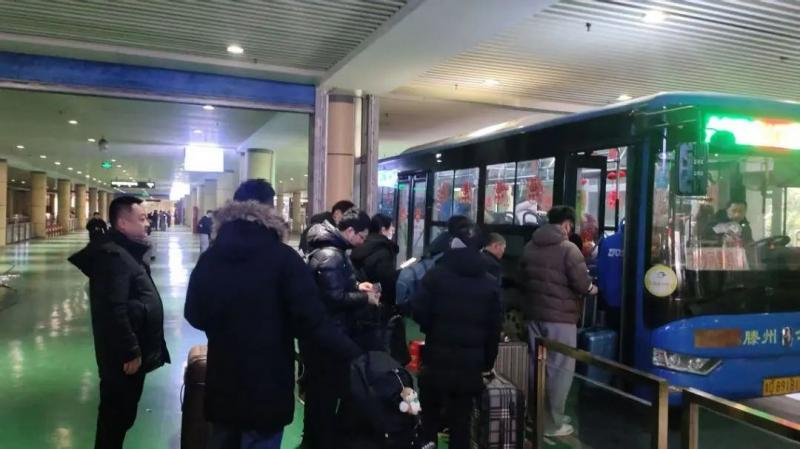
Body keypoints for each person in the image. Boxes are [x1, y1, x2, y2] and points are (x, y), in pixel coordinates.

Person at [184, 180, 361, 449]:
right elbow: (311, 321)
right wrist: (355, 354)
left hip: (224, 381)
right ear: (270, 210)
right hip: (268, 385)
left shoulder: (211, 258)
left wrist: (225, 326)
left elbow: (194, 313)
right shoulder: (284, 259)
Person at [68, 196, 170, 449]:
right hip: (122, 358)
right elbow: (113, 309)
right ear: (123, 223)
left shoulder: (126, 253)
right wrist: (130, 350)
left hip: (130, 352)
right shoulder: (113, 257)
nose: (147, 223)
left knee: (123, 414)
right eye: (141, 218)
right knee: (115, 416)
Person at [412, 224, 502, 449]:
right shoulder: (490, 283)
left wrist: (432, 328)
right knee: (461, 423)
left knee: (429, 418)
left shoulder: (435, 276)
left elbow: (419, 311)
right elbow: (494, 330)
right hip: (470, 366)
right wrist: (487, 362)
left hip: (436, 358)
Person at [303, 208, 381, 449]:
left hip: (322, 334)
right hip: (330, 335)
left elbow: (335, 286)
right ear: (350, 231)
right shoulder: (332, 255)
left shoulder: (331, 251)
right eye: (361, 236)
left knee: (319, 393)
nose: (362, 242)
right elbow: (333, 297)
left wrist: (357, 286)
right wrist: (365, 298)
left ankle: (315, 439)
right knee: (326, 394)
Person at [518, 205, 596, 437]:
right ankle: (553, 423)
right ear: (567, 225)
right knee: (559, 369)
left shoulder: (530, 246)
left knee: (536, 367)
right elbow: (582, 284)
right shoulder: (568, 249)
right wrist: (592, 289)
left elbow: (522, 278)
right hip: (561, 319)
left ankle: (535, 417)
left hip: (534, 315)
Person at [350, 213, 400, 320]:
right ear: (383, 230)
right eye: (391, 227)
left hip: (359, 300)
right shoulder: (383, 250)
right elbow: (386, 282)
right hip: (377, 304)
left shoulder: (361, 244)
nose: (393, 230)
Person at [597, 220, 624, 330]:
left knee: (612, 330)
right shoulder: (639, 242)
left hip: (611, 296)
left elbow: (601, 269)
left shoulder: (608, 242)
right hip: (634, 299)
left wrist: (601, 290)